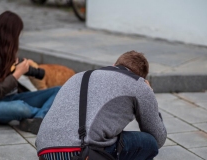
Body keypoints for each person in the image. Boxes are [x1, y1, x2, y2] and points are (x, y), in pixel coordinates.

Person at [36, 51, 167, 160]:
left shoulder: (80, 75)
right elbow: (158, 138)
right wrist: (150, 94)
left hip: (43, 151)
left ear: (114, 65)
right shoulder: (139, 85)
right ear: (143, 78)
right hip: (79, 154)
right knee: (148, 142)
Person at [0, 11, 60, 135]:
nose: (19, 36)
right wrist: (18, 73)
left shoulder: (3, 48)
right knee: (20, 108)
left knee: (60, 90)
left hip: (12, 97)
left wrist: (20, 67)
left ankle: (39, 118)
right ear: (11, 34)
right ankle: (46, 116)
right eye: (18, 33)